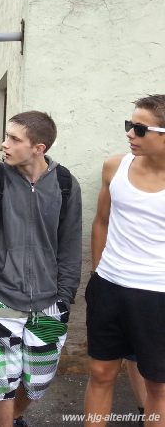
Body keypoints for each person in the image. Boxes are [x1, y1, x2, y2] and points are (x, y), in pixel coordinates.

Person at [0, 111, 82, 427]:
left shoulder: (65, 184)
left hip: (50, 304)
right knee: (0, 381)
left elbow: (70, 244)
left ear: (38, 148)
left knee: (39, 380)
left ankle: (16, 415)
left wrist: (64, 296)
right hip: (1, 300)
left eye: (14, 139)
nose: (4, 144)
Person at [84, 95, 165, 427]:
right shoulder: (115, 167)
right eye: (129, 125)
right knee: (101, 372)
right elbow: (101, 222)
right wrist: (98, 272)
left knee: (157, 386)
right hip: (109, 287)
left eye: (140, 128)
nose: (130, 133)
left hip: (157, 295)